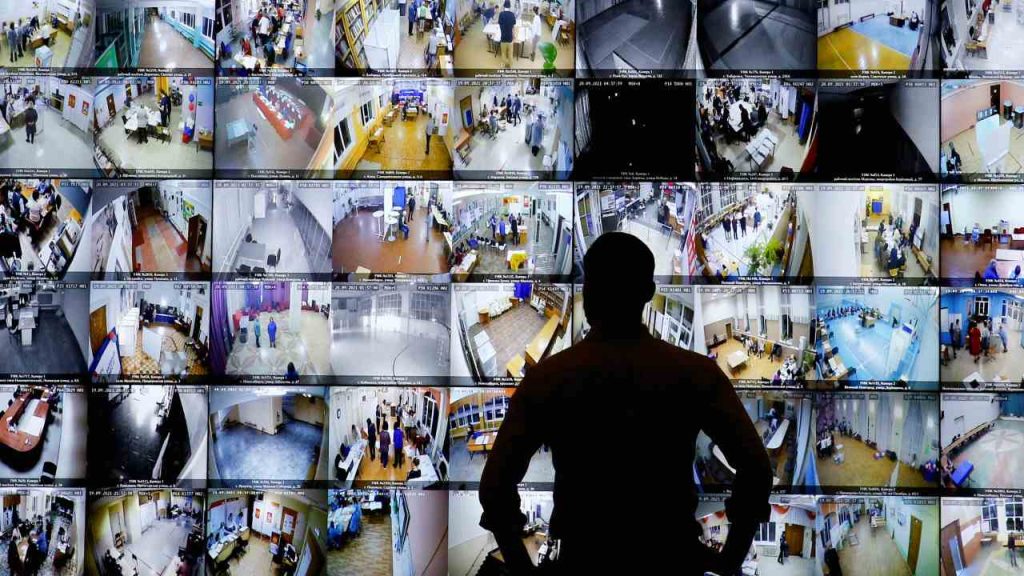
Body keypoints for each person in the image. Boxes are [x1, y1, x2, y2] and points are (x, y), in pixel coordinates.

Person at [478, 232, 773, 575]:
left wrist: (521, 570)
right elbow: (756, 468)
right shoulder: (697, 374)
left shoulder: (548, 378)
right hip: (672, 563)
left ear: (587, 292)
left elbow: (494, 485)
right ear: (648, 293)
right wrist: (728, 562)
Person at [498, 0, 516, 68]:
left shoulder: (501, 14)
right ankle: (510, 66)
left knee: (503, 53)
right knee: (510, 54)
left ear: (504, 6)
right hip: (510, 38)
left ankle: (503, 65)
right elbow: (513, 28)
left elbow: (500, 25)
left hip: (503, 38)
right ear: (510, 6)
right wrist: (513, 36)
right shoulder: (512, 14)